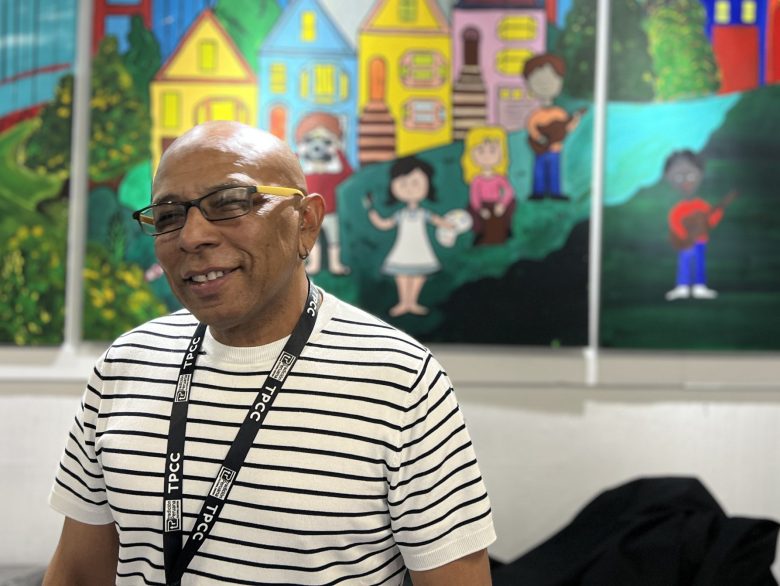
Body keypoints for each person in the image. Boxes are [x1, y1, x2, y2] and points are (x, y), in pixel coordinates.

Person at [43, 121, 496, 586]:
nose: (191, 235)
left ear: (307, 223)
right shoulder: (126, 365)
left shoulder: (401, 379)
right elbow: (77, 571)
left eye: (231, 203)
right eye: (168, 216)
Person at [366, 156, 453, 317]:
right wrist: (372, 213)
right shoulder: (401, 214)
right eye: (403, 184)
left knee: (419, 275)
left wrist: (450, 225)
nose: (409, 188)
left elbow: (437, 220)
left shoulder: (423, 213)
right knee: (402, 274)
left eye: (415, 183)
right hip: (403, 247)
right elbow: (385, 224)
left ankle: (412, 302)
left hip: (420, 247)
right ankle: (404, 302)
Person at [662, 150, 736, 301]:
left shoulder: (701, 205)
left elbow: (711, 221)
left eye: (690, 175)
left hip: (700, 241)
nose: (685, 182)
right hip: (686, 242)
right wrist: (684, 236)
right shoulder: (679, 208)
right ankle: (682, 287)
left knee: (699, 264)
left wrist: (718, 212)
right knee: (684, 263)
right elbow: (674, 220)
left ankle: (699, 287)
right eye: (678, 176)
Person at [460, 126, 516, 245]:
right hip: (483, 205)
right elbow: (474, 197)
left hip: (497, 203)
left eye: (492, 150)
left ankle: (507, 230)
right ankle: (479, 233)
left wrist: (502, 204)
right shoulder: (477, 180)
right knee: (472, 212)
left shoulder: (499, 177)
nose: (487, 156)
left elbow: (508, 191)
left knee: (511, 206)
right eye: (480, 151)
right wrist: (480, 209)